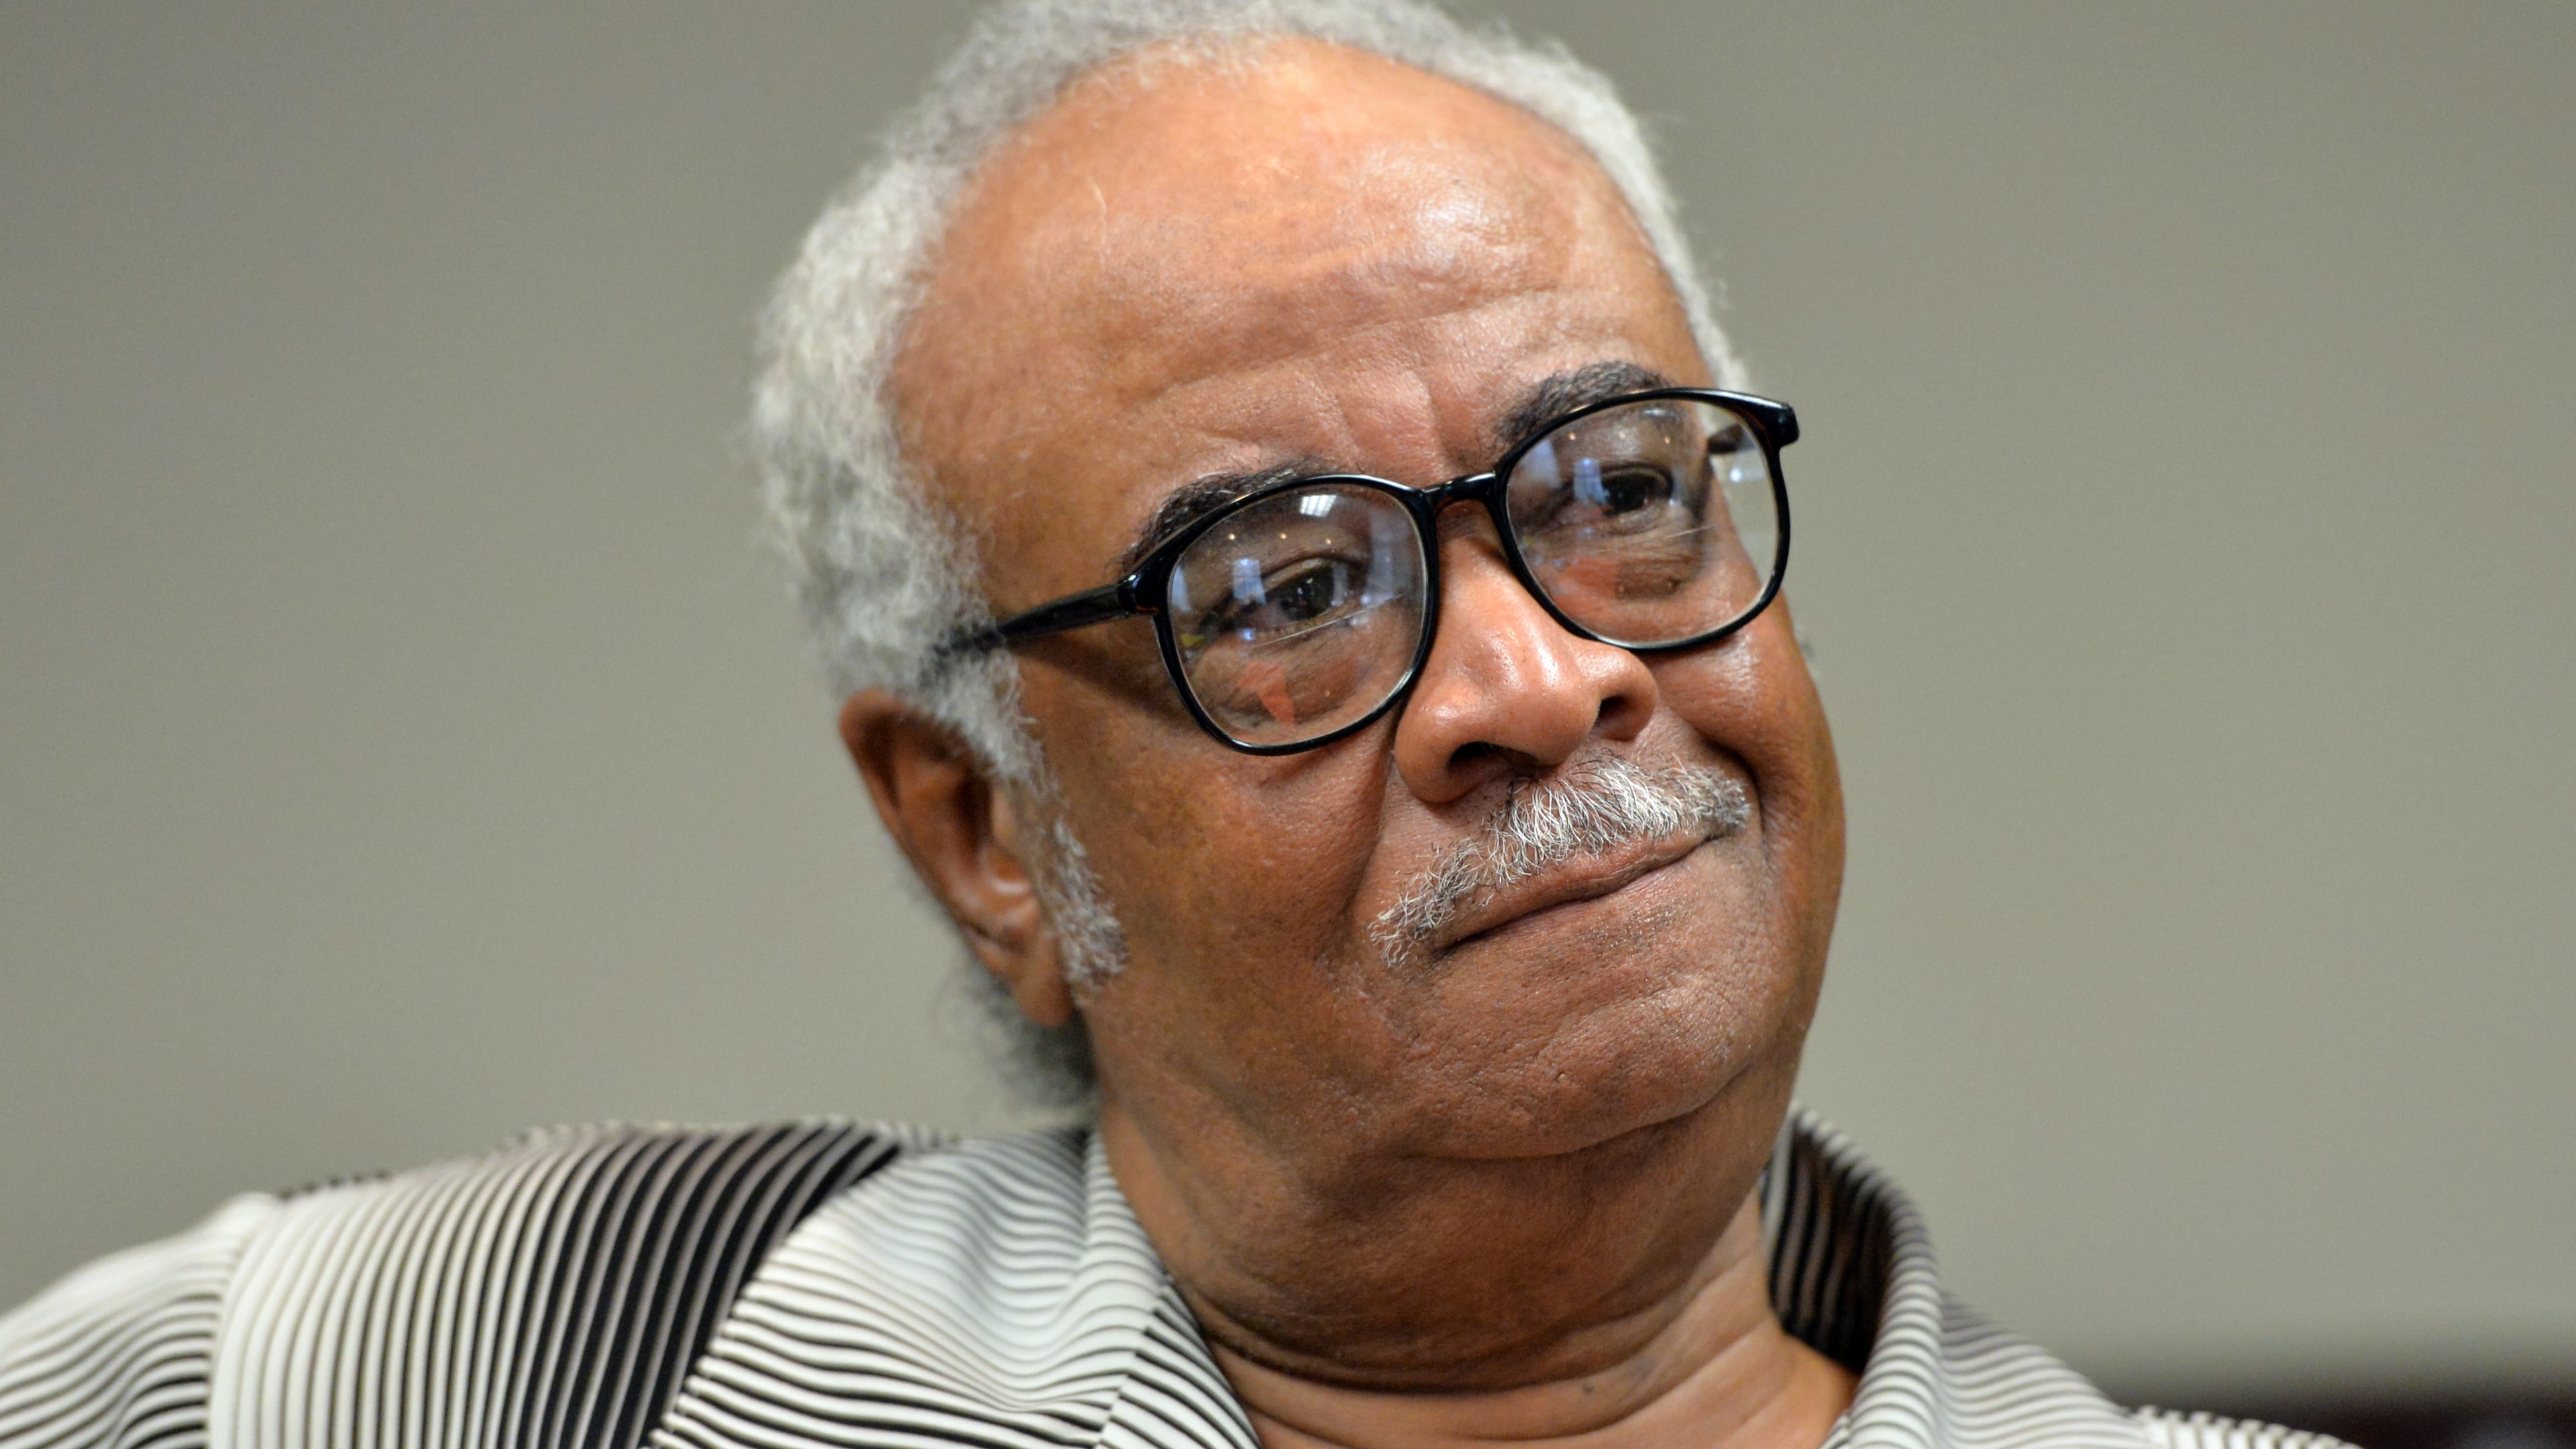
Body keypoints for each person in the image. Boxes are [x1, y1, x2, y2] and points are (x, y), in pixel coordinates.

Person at [0, 5, 2338, 1449]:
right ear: (983, 832)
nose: (1545, 680)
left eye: (1619, 488)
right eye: (1297, 587)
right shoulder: (447, 1370)